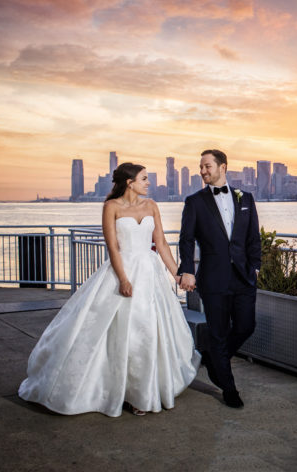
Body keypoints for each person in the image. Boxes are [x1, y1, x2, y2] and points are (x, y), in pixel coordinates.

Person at [18, 162, 200, 417]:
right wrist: (124, 280)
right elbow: (113, 248)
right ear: (129, 182)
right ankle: (118, 390)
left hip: (150, 275)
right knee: (119, 332)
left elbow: (160, 244)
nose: (149, 183)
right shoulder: (111, 207)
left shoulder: (151, 206)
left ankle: (142, 393)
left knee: (147, 332)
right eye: (145, 178)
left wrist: (177, 274)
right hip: (121, 272)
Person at [178, 149, 261, 409]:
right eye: (200, 167)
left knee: (246, 326)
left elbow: (253, 237)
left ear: (222, 167)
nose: (202, 171)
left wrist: (255, 267)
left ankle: (215, 357)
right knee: (219, 331)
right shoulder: (195, 202)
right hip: (213, 278)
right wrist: (187, 269)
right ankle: (228, 387)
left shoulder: (245, 198)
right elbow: (186, 239)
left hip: (243, 277)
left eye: (207, 166)